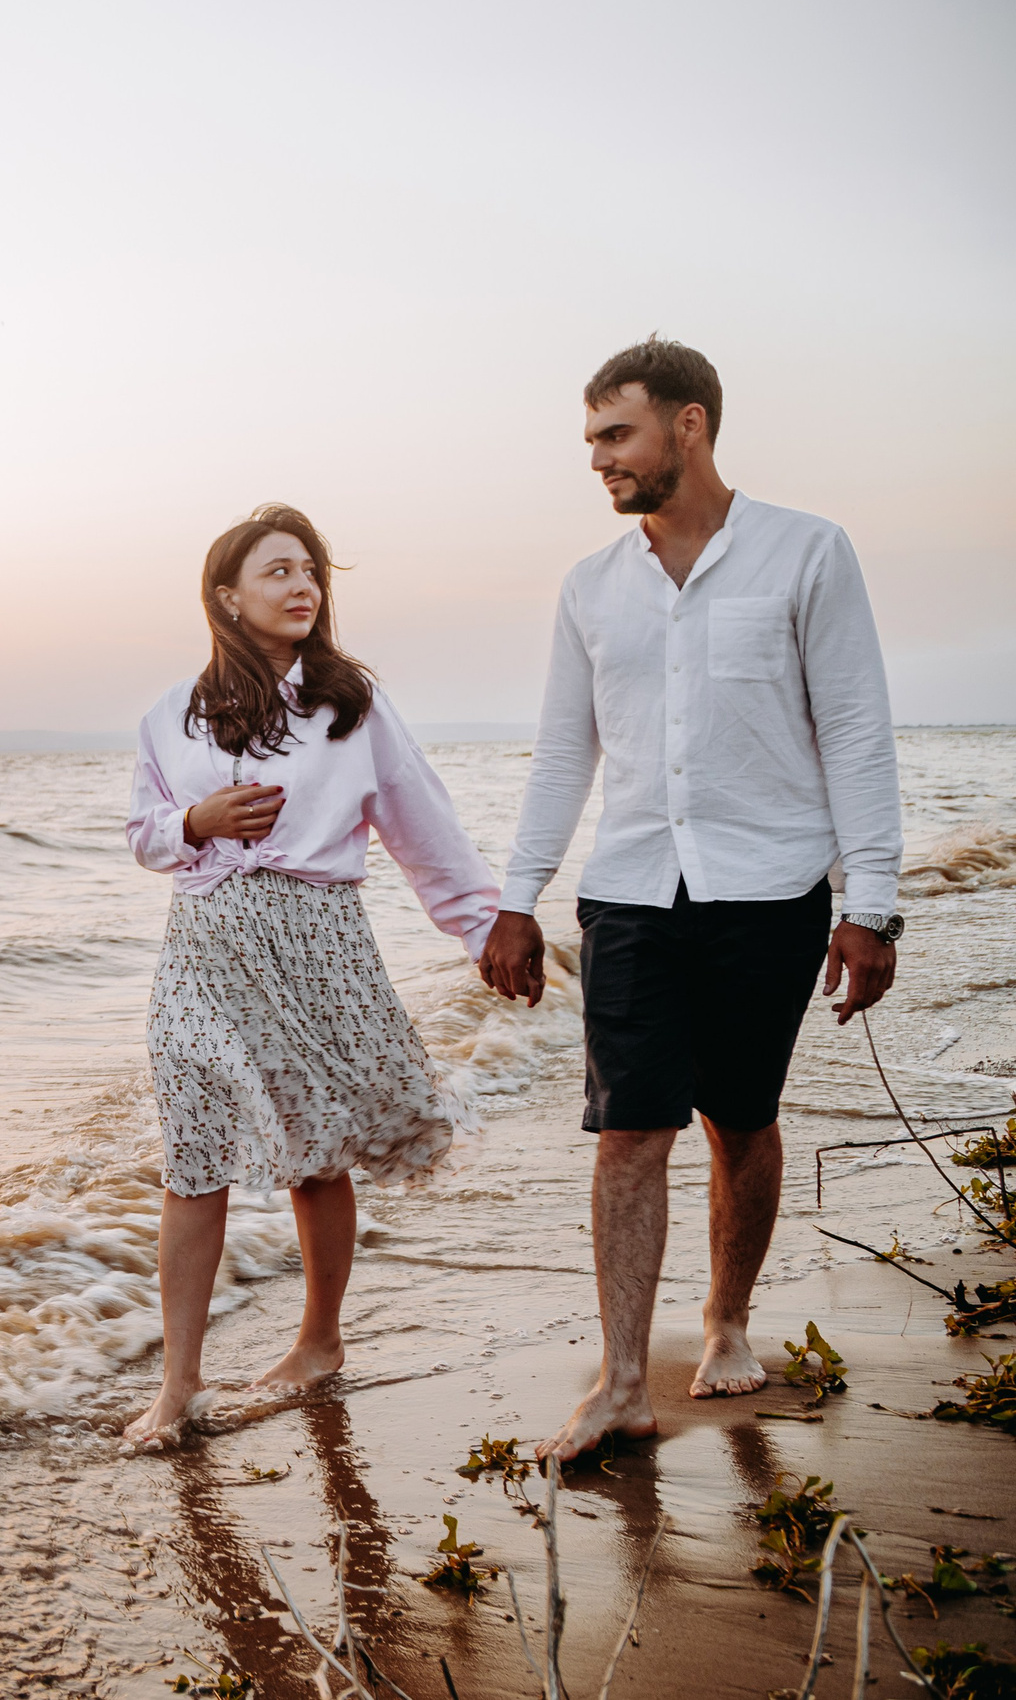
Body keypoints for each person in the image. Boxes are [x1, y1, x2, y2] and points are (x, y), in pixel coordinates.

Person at [478, 337, 904, 1462]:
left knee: (740, 1120)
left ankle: (724, 1322)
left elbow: (857, 729)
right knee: (627, 1132)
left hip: (770, 891)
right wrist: (515, 899)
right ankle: (622, 1380)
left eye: (615, 436)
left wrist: (874, 901)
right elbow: (562, 754)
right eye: (590, 442)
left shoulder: (807, 553)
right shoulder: (590, 588)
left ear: (689, 428)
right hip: (628, 895)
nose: (597, 461)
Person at [121, 504, 500, 1449]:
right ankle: (179, 1384)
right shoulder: (168, 715)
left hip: (318, 938)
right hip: (203, 946)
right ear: (227, 596)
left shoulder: (351, 706)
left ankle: (319, 1340)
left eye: (312, 572)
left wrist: (489, 934)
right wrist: (196, 824)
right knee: (193, 1153)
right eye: (279, 571)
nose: (303, 587)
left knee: (315, 1152)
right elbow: (144, 835)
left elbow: (427, 832)